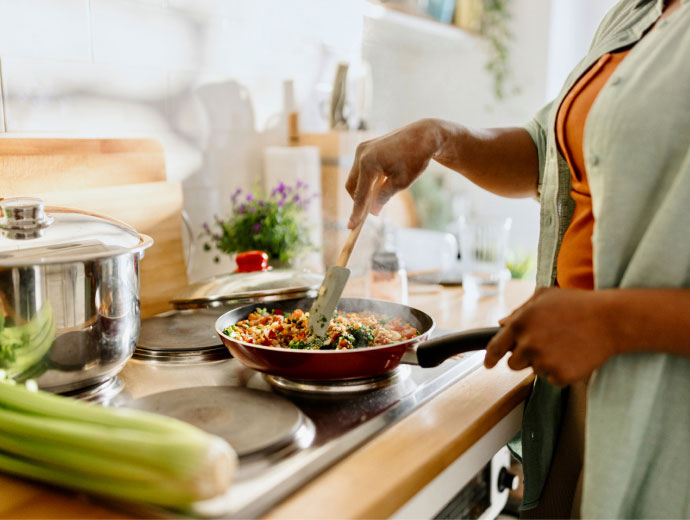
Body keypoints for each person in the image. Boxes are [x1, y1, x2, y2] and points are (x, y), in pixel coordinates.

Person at [345, 0, 690, 517]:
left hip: (664, 403)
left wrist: (612, 324)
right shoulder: (638, 12)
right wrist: (439, 136)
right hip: (581, 379)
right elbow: (547, 152)